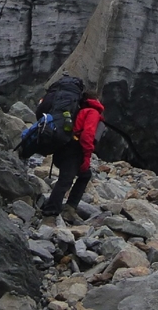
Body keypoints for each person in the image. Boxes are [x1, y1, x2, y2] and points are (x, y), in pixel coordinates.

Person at [40, 90, 105, 222]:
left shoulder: (77, 110)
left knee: (84, 175)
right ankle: (51, 212)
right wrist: (87, 156)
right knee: (65, 181)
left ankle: (68, 208)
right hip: (74, 150)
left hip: (63, 148)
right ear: (96, 99)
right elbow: (87, 135)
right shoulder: (92, 112)